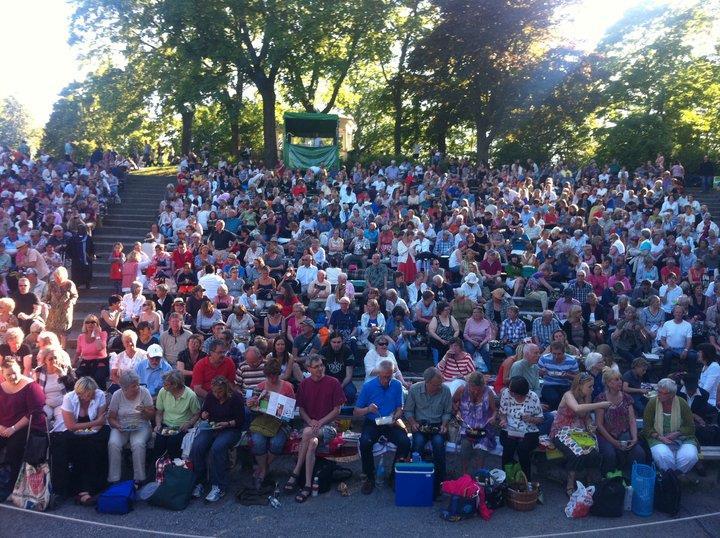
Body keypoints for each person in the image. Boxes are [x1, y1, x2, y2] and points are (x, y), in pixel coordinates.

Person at [285, 355, 345, 503]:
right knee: (312, 443)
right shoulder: (305, 384)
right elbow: (301, 410)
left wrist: (320, 422)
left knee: (306, 432)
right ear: (309, 369)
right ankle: (307, 485)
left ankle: (296, 472)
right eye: (316, 367)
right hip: (311, 427)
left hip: (329, 427)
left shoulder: (333, 382)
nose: (320, 369)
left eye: (321, 365)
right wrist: (310, 421)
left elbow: (337, 410)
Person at [550, 372, 610, 496]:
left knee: (592, 451)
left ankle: (590, 480)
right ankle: (570, 484)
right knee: (576, 453)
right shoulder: (568, 395)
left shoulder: (586, 396)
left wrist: (589, 424)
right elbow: (577, 408)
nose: (592, 389)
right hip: (562, 430)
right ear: (579, 386)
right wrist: (600, 404)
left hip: (579, 431)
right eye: (590, 386)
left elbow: (585, 416)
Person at [355, 359, 409, 494]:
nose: (387, 380)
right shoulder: (368, 386)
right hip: (373, 422)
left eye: (389, 376)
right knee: (365, 442)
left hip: (391, 422)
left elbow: (400, 407)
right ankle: (369, 477)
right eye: (384, 377)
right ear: (379, 374)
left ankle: (395, 476)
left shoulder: (396, 385)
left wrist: (396, 416)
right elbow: (356, 411)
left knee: (405, 442)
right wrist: (368, 409)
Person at [191, 376, 245, 502]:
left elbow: (240, 420)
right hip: (213, 427)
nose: (217, 394)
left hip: (231, 429)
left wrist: (227, 424)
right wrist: (204, 415)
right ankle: (200, 481)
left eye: (219, 392)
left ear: (226, 389)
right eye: (214, 391)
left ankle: (219, 485)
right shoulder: (211, 396)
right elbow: (204, 412)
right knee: (197, 445)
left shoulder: (235, 398)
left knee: (218, 447)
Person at [58, 376, 110, 505]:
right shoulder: (69, 398)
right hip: (73, 430)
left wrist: (92, 428)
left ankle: (92, 487)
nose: (90, 397)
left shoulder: (99, 395)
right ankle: (77, 489)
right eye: (86, 395)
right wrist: (93, 424)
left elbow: (100, 422)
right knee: (70, 446)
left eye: (91, 394)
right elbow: (70, 425)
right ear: (78, 393)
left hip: (94, 430)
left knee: (94, 446)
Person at [404, 367, 452, 497]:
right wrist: (413, 423)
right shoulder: (415, 389)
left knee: (438, 444)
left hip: (437, 425)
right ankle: (416, 478)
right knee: (417, 444)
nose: (438, 387)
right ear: (427, 382)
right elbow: (408, 410)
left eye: (440, 384)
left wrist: (444, 425)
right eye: (435, 385)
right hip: (420, 425)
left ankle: (440, 481)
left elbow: (448, 412)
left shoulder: (445, 390)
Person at [0, 357, 45, 490]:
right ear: (2, 374)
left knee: (14, 449)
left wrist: (13, 428)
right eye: (8, 374)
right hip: (3, 426)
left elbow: (34, 412)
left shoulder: (31, 386)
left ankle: (12, 486)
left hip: (26, 426)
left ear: (20, 370)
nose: (12, 376)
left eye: (15, 372)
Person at [247, 359, 294, 487]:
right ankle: (264, 469)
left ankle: (263, 468)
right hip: (263, 421)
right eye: (269, 376)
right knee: (257, 441)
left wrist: (279, 411)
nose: (272, 378)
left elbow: (290, 413)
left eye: (274, 375)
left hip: (280, 423)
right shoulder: (260, 386)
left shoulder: (287, 387)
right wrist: (252, 404)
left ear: (279, 374)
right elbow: (252, 412)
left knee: (276, 442)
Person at [107, 371, 154, 487]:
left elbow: (151, 415)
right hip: (121, 424)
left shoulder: (144, 392)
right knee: (113, 443)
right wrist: (117, 425)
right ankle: (114, 479)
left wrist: (144, 411)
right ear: (124, 388)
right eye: (134, 386)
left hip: (141, 423)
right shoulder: (117, 395)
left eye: (138, 384)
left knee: (138, 443)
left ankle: (139, 478)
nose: (137, 387)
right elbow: (111, 418)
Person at [595, 368, 645, 476]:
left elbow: (632, 420)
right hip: (606, 434)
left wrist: (635, 437)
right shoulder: (601, 398)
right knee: (610, 454)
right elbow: (599, 424)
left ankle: (631, 477)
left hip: (623, 432)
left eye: (620, 379)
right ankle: (607, 479)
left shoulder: (627, 398)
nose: (620, 382)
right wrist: (613, 441)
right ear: (608, 383)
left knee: (638, 452)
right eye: (616, 380)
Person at [643, 378, 698, 474]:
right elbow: (647, 427)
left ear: (672, 395)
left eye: (662, 393)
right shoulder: (652, 403)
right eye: (658, 391)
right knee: (663, 456)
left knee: (690, 456)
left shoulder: (682, 403)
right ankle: (674, 477)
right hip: (657, 438)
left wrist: (677, 433)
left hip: (682, 438)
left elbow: (690, 427)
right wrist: (660, 437)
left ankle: (672, 477)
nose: (658, 394)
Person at [498, 376, 544, 481]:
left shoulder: (533, 397)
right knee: (508, 449)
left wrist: (531, 419)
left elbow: (541, 419)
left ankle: (526, 479)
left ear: (519, 393)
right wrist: (503, 420)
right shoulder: (506, 394)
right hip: (509, 429)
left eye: (512, 392)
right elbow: (502, 413)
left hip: (529, 431)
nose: (510, 393)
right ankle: (507, 478)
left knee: (523, 450)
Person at [452, 372, 496, 475]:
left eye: (478, 389)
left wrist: (493, 418)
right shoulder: (462, 390)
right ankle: (464, 475)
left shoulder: (488, 392)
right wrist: (457, 411)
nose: (475, 391)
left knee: (481, 449)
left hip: (484, 428)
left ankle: (478, 476)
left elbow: (494, 410)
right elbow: (453, 402)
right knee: (465, 448)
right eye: (473, 388)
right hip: (467, 427)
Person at [153, 370, 201, 460]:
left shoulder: (190, 395)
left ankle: (174, 468)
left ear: (174, 385)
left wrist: (189, 424)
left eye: (166, 384)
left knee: (173, 443)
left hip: (181, 427)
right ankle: (158, 468)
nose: (164, 386)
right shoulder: (163, 392)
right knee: (159, 443)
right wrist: (158, 425)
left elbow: (197, 414)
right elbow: (159, 412)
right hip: (166, 425)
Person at [35, 346, 76, 429]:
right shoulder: (39, 371)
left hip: (62, 402)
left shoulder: (66, 369)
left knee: (61, 423)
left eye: (55, 358)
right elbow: (35, 390)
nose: (54, 361)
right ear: (45, 360)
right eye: (50, 359)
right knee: (42, 420)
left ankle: (58, 437)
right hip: (46, 403)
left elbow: (74, 388)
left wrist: (62, 375)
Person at [538, 341, 579, 410]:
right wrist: (541, 372)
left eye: (559, 354)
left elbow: (578, 377)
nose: (556, 356)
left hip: (565, 384)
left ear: (564, 352)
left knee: (568, 398)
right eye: (554, 354)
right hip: (549, 385)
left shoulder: (572, 361)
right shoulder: (544, 359)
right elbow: (536, 373)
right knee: (553, 397)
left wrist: (568, 375)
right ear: (550, 352)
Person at [43, 267, 78, 348]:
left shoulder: (69, 284)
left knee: (64, 332)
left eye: (58, 277)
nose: (57, 279)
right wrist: (44, 302)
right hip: (54, 311)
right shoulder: (52, 283)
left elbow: (75, 296)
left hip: (65, 311)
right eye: (55, 277)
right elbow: (48, 296)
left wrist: (70, 302)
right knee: (53, 331)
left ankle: (63, 349)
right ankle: (54, 347)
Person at [660, 305, 697, 376]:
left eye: (680, 312)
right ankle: (664, 376)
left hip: (683, 349)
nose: (678, 314)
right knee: (667, 355)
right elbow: (662, 340)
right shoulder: (667, 324)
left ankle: (692, 377)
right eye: (676, 312)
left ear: (683, 314)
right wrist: (667, 346)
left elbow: (689, 340)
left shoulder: (688, 325)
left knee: (693, 355)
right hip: (670, 349)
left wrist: (686, 350)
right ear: (673, 313)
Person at [320, 332, 356, 404]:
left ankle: (346, 410)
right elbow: (321, 373)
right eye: (334, 342)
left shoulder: (348, 352)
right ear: (330, 342)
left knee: (351, 393)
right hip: (327, 381)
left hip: (343, 381)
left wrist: (340, 386)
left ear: (342, 342)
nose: (336, 344)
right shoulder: (323, 352)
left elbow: (349, 375)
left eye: (339, 342)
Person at [74, 315, 109, 389]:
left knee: (98, 377)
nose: (90, 324)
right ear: (85, 324)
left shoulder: (103, 334)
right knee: (79, 376)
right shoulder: (81, 336)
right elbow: (78, 352)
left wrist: (96, 335)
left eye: (93, 322)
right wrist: (73, 363)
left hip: (100, 362)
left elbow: (99, 348)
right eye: (88, 322)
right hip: (86, 362)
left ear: (97, 324)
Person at [463, 305, 494, 370]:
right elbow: (465, 334)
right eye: (474, 312)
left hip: (483, 341)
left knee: (485, 350)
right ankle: (468, 368)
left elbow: (488, 336)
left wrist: (482, 343)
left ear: (481, 313)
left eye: (477, 312)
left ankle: (489, 369)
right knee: (470, 348)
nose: (476, 314)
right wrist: (472, 341)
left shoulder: (486, 322)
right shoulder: (469, 321)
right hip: (471, 340)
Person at [697, 343, 720, 407]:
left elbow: (706, 389)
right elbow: (701, 384)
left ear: (705, 353)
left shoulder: (714, 367)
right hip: (703, 397)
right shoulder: (705, 366)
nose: (697, 354)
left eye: (699, 352)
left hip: (711, 400)